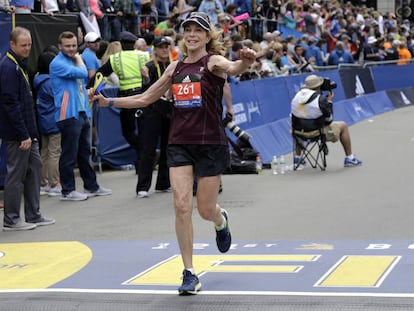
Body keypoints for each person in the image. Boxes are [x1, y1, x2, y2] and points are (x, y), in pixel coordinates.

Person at [92, 12, 256, 294]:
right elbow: (146, 97)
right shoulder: (174, 68)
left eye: (198, 31)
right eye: (188, 30)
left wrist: (246, 60)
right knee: (181, 205)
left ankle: (220, 219)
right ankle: (189, 272)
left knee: (204, 210)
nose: (192, 34)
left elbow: (234, 67)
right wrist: (110, 101)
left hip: (210, 143)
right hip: (179, 142)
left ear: (207, 37)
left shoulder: (213, 62)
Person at [0, 27, 55, 231]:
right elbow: (10, 104)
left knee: (34, 169)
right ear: (12, 44)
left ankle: (33, 214)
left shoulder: (18, 65)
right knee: (16, 175)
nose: (27, 49)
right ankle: (11, 220)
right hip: (18, 134)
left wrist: (30, 133)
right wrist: (23, 134)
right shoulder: (8, 68)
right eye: (23, 45)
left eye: (29, 44)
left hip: (27, 132)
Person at [50, 31, 112, 201]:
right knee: (69, 154)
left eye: (73, 46)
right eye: (68, 46)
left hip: (81, 111)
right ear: (60, 46)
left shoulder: (71, 61)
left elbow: (79, 85)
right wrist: (79, 60)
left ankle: (91, 186)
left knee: (84, 153)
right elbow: (83, 73)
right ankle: (68, 191)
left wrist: (88, 93)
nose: (71, 49)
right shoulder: (58, 63)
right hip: (68, 114)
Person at [89, 31, 150, 174]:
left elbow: (101, 75)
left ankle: (141, 154)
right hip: (144, 96)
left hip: (126, 98)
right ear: (134, 44)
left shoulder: (115, 59)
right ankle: (144, 156)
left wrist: (91, 89)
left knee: (128, 131)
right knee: (143, 130)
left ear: (121, 44)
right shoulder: (144, 56)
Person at [291, 74, 362, 168]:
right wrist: (329, 102)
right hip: (316, 132)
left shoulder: (297, 96)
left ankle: (297, 158)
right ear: (319, 86)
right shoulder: (321, 100)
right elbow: (329, 120)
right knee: (343, 125)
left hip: (298, 132)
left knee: (301, 122)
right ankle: (350, 158)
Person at [136, 36, 172, 198]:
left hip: (169, 111)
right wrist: (145, 78)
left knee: (167, 148)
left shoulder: (173, 66)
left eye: (167, 47)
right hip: (152, 112)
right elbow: (145, 91)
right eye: (161, 47)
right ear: (155, 49)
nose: (164, 49)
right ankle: (142, 186)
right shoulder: (149, 67)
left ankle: (163, 183)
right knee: (148, 149)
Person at [33, 51, 62, 197]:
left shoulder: (38, 79)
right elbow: (59, 98)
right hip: (54, 120)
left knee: (44, 152)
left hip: (43, 120)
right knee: (54, 152)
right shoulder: (50, 82)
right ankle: (54, 183)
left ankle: (43, 183)